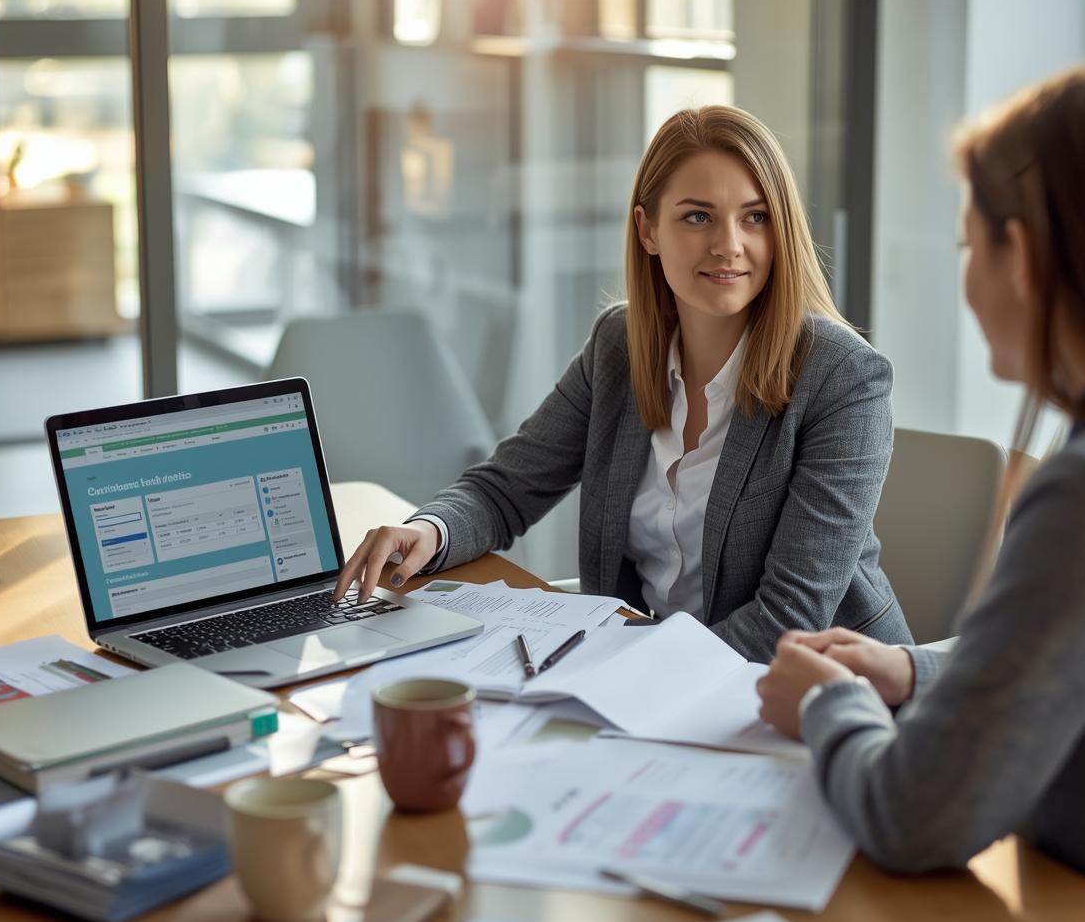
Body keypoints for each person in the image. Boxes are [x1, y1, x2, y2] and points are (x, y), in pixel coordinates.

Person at [755, 61, 1085, 922]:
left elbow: (915, 813)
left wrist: (829, 705)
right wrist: (914, 672)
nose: (968, 278)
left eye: (968, 246)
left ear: (1022, 257)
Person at [334, 104, 911, 662]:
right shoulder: (620, 344)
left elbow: (788, 619)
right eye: (698, 216)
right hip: (650, 673)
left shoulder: (842, 378)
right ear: (648, 229)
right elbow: (506, 489)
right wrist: (428, 532)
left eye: (754, 216)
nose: (729, 244)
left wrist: (622, 672)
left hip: (818, 691)